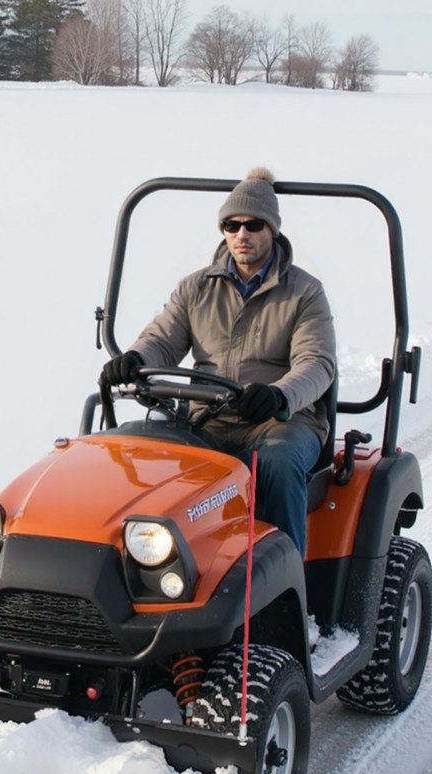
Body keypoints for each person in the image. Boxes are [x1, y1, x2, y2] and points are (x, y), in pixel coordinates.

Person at [102, 167, 335, 555]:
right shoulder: (196, 287)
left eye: (253, 224)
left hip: (278, 422)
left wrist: (278, 396)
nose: (241, 234)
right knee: (132, 452)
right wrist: (135, 358)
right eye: (232, 224)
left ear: (272, 230)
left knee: (273, 464)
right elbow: (162, 339)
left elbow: (316, 362)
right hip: (204, 420)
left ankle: (285, 584)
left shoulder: (305, 293)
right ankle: (144, 567)